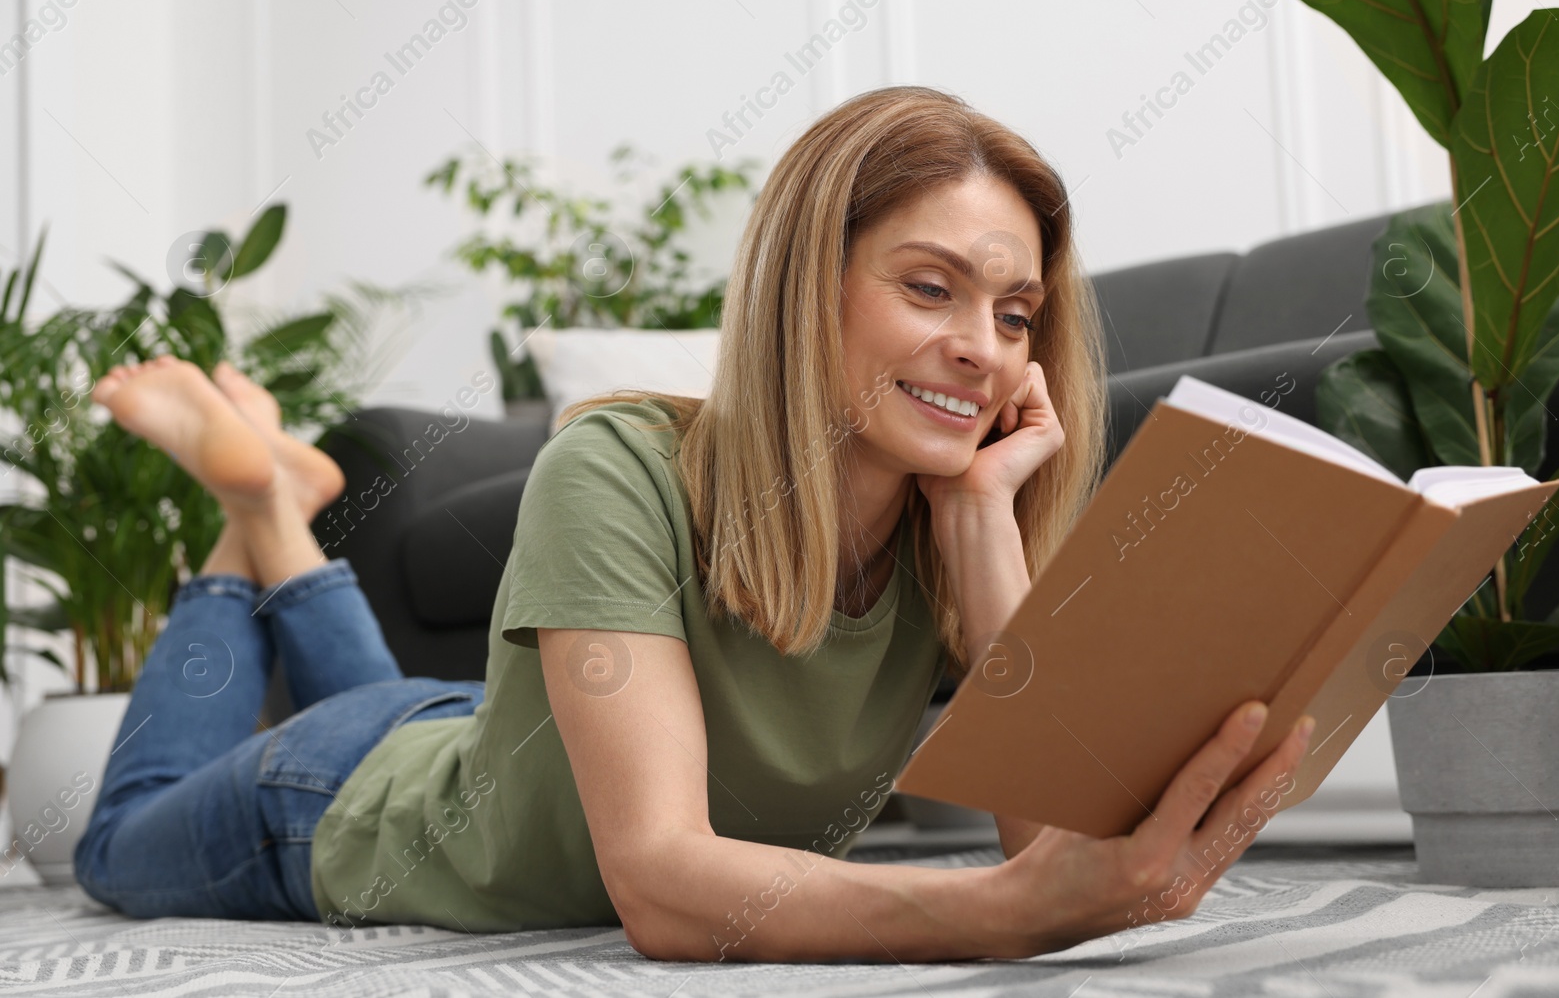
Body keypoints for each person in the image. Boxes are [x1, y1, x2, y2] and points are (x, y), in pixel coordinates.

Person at [74, 85, 1315, 962]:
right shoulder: (617, 466)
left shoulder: (952, 514)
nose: (980, 348)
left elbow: (1057, 848)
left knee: (434, 720)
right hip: (337, 801)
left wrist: (987, 523)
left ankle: (284, 506)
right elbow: (665, 886)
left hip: (492, 742)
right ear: (803, 286)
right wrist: (992, 912)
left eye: (1012, 312)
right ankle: (248, 517)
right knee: (111, 845)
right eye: (929, 287)